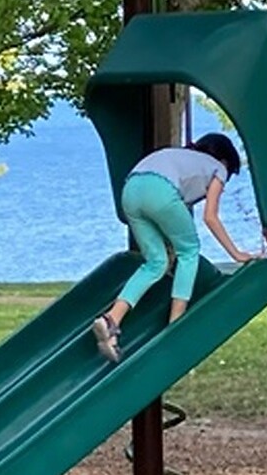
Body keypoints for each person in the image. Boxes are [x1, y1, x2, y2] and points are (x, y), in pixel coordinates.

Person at [90, 134, 256, 363]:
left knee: (155, 263)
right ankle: (175, 323)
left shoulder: (180, 157)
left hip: (130, 190)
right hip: (162, 191)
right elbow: (210, 217)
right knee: (189, 251)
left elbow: (169, 210)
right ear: (224, 159)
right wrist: (236, 253)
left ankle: (111, 319)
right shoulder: (218, 168)